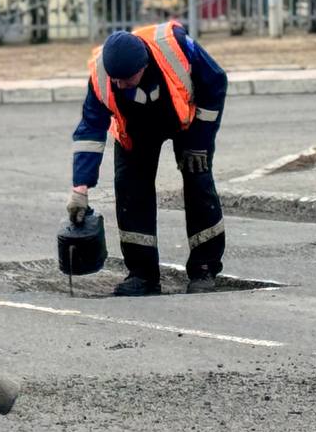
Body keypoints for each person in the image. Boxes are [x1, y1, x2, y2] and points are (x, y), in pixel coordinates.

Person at [66, 22, 227, 297]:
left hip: (186, 123)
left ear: (142, 67)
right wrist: (80, 189)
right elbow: (90, 130)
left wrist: (200, 143)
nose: (118, 84)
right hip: (135, 130)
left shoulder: (176, 48)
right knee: (130, 190)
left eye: (126, 79)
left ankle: (204, 269)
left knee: (198, 183)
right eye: (115, 79)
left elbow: (215, 83)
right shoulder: (102, 76)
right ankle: (142, 275)